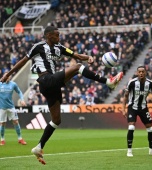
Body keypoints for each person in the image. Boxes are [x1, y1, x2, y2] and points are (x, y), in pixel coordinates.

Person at [0, 26, 123, 165]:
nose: (59, 36)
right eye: (56, 35)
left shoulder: (60, 48)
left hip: (52, 85)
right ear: (48, 35)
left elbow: (76, 55)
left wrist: (88, 57)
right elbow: (23, 60)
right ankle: (109, 82)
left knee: (56, 120)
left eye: (59, 34)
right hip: (45, 80)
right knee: (77, 68)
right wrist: (8, 74)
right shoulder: (38, 47)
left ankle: (39, 147)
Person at [121, 66, 152, 157]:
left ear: (145, 72)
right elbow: (126, 96)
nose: (141, 73)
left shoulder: (149, 83)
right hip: (132, 107)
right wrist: (123, 109)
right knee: (131, 127)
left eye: (143, 72)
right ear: (137, 73)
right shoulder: (132, 82)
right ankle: (129, 151)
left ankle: (151, 150)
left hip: (143, 108)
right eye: (139, 72)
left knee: (150, 128)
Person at [0, 75, 27, 145]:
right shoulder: (0, 84)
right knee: (2, 123)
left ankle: (20, 138)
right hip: (2, 108)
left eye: (9, 76)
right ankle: (2, 139)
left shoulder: (13, 84)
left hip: (11, 107)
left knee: (16, 122)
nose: (8, 77)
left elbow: (19, 92)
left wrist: (22, 99)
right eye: (6, 76)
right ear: (3, 77)